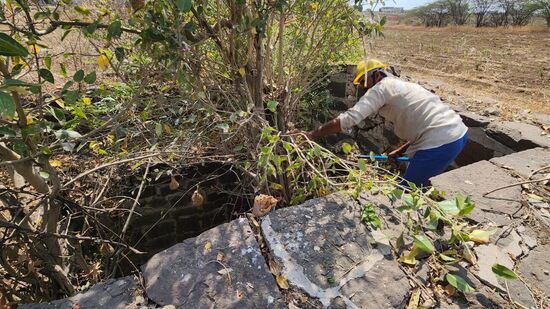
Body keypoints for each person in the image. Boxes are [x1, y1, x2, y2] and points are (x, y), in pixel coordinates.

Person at [303, 59, 468, 187]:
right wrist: (401, 150)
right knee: (417, 184)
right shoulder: (404, 86)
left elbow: (350, 119)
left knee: (405, 192)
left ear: (376, 75)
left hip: (440, 143)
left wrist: (312, 134)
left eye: (362, 82)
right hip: (458, 134)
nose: (363, 88)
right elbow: (424, 122)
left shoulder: (382, 87)